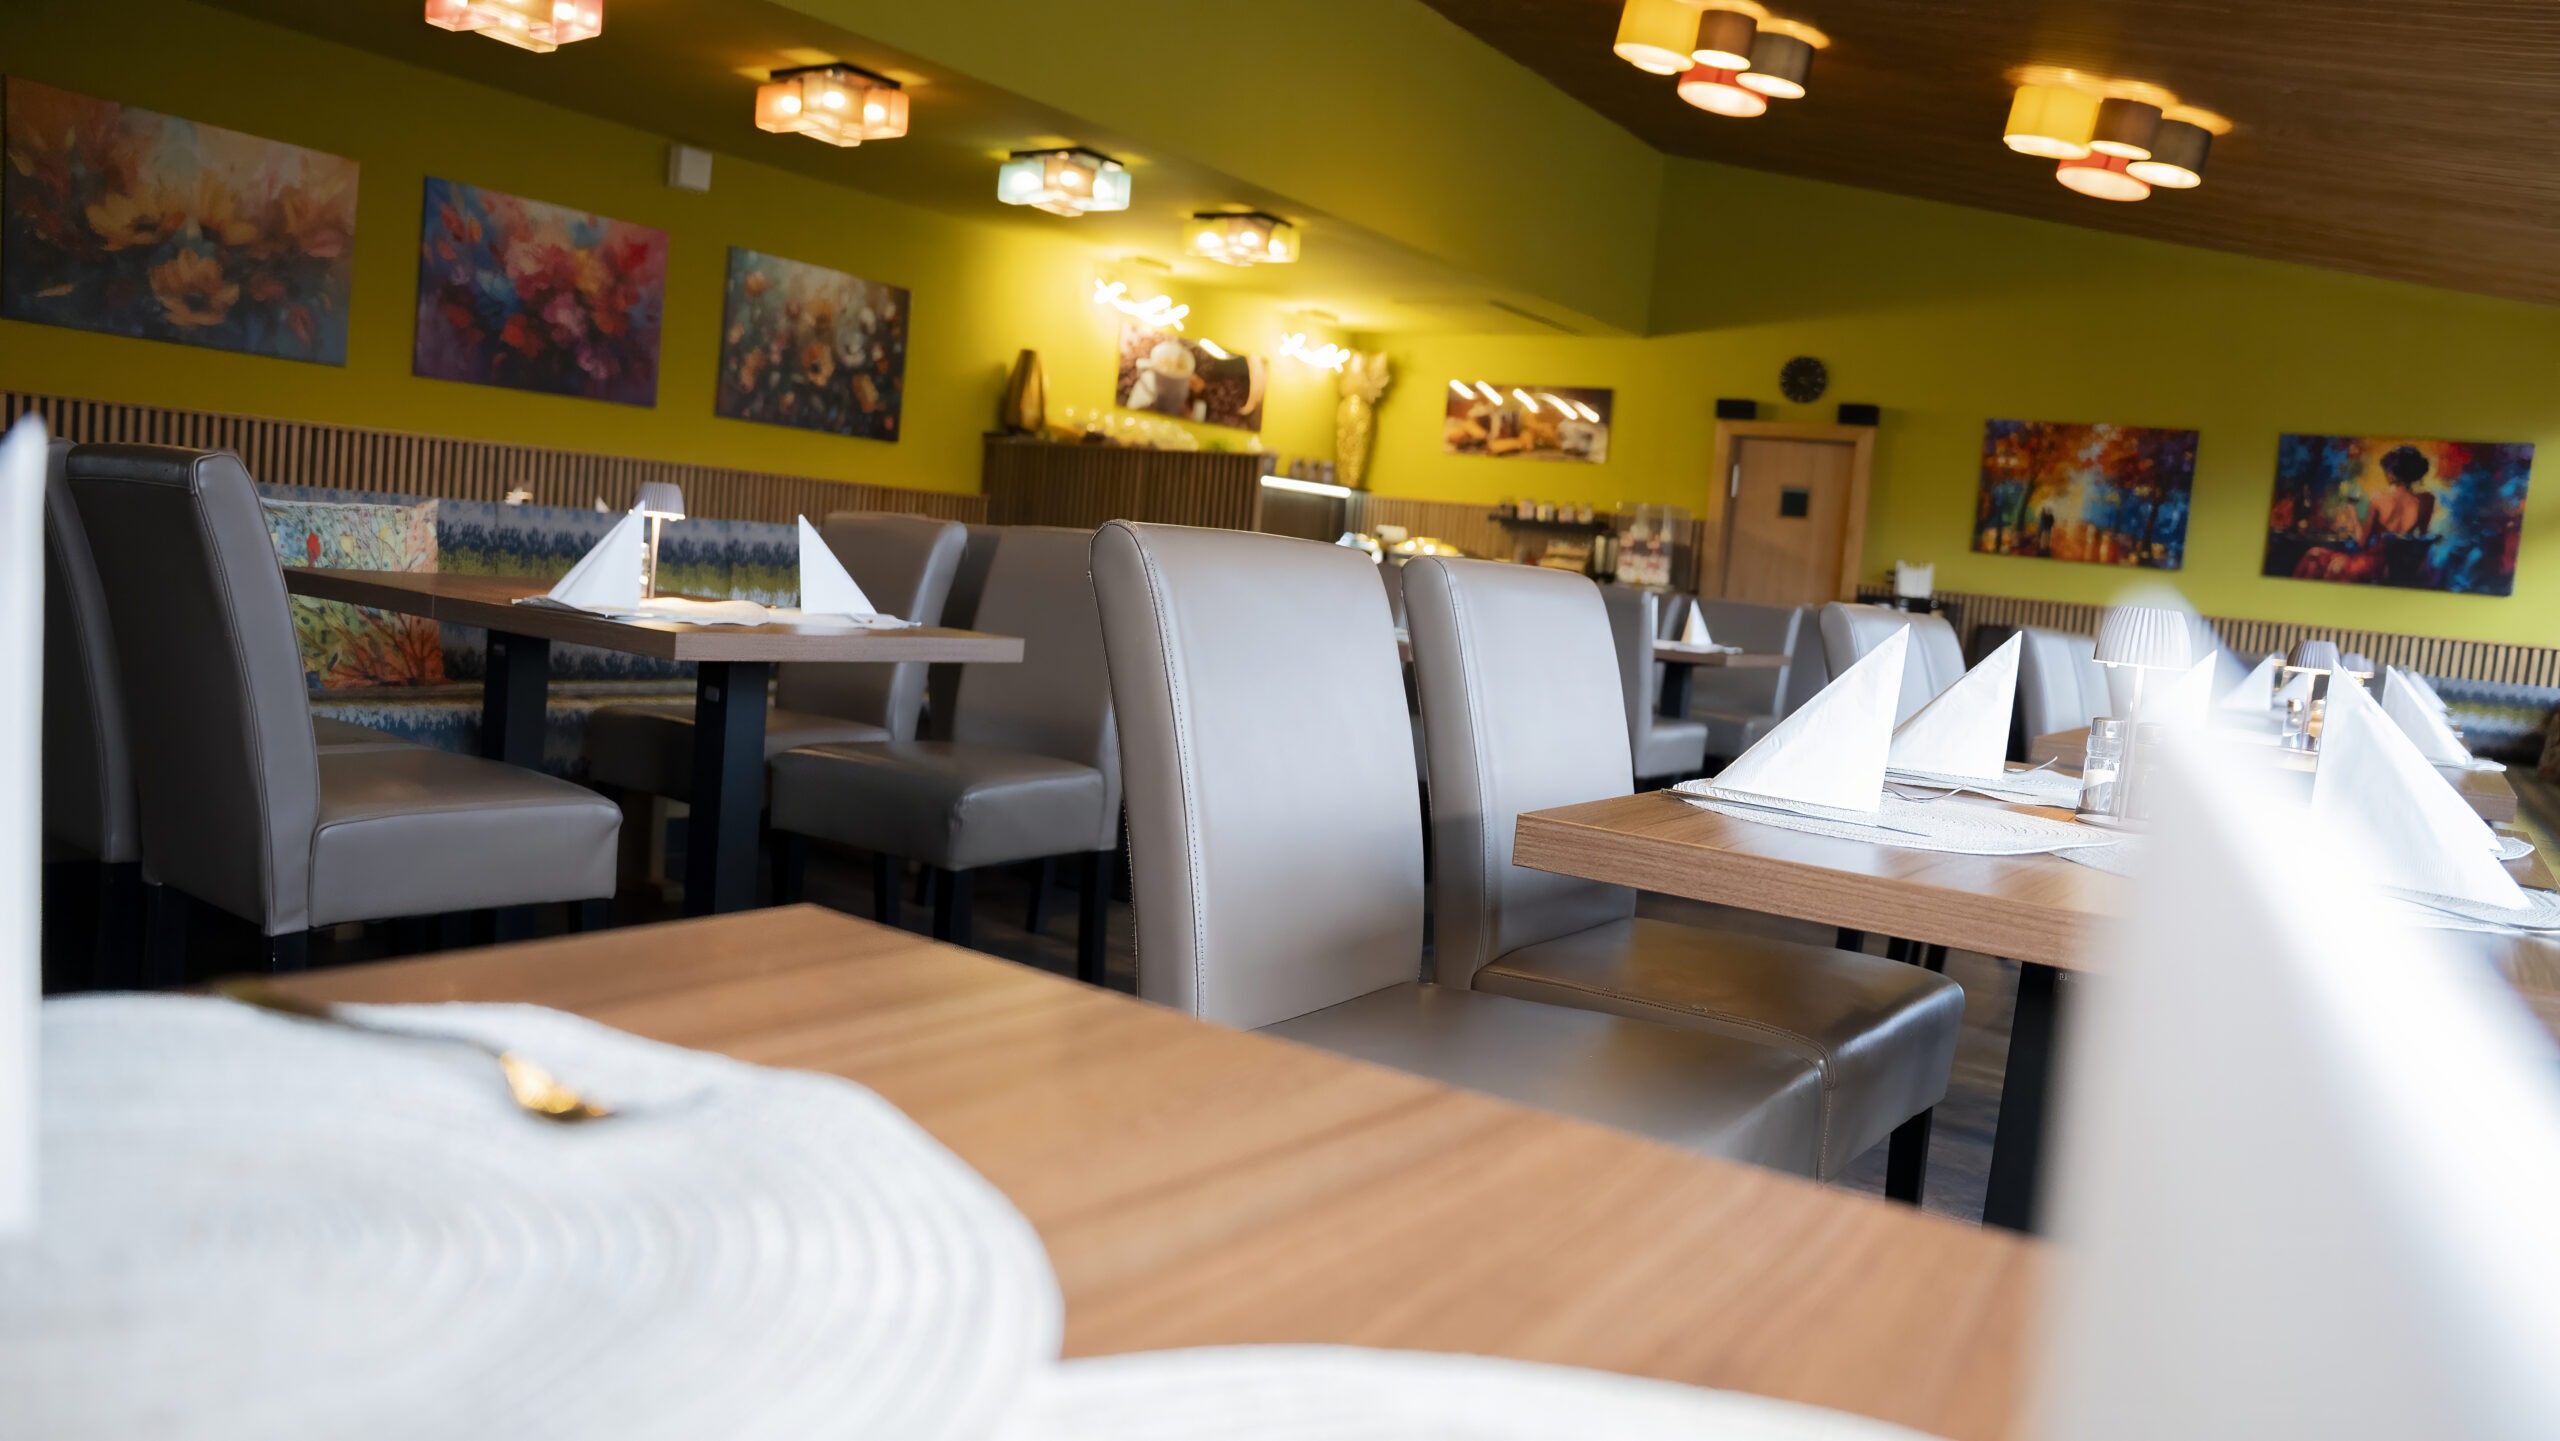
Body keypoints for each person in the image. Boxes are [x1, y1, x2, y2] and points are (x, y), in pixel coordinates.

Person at [2365, 444, 2439, 588]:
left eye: (2387, 470)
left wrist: (2353, 515)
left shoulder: (2377, 499)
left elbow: (2363, 543)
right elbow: (2422, 538)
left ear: (2393, 473)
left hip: (2380, 568)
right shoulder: (2427, 500)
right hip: (2408, 568)